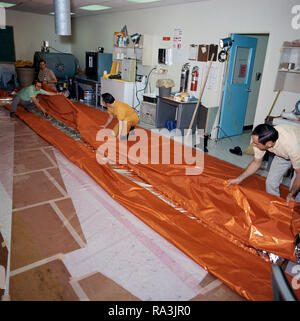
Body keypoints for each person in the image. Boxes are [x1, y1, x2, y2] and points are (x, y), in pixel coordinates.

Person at [227, 123, 300, 206]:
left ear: (269, 144)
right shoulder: (262, 140)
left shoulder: (291, 145)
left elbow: (299, 174)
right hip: (283, 155)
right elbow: (256, 162)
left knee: (296, 193)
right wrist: (238, 179)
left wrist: (292, 194)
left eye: (256, 143)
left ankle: (296, 211)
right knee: (270, 182)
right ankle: (275, 206)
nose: (253, 144)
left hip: (297, 149)